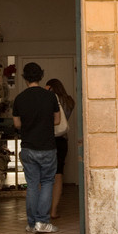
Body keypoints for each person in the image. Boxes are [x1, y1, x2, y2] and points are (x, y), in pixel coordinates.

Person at [13, 62, 60, 233]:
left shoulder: (20, 98)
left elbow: (17, 123)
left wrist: (28, 124)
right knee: (47, 182)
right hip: (47, 147)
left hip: (28, 147)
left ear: (24, 78)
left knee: (32, 185)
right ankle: (43, 222)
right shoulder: (50, 97)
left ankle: (32, 223)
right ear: (41, 76)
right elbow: (57, 120)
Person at [45, 78, 75, 220]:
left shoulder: (49, 100)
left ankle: (44, 209)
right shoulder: (69, 101)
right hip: (63, 140)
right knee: (58, 174)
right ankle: (54, 210)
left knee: (45, 175)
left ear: (50, 87)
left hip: (49, 139)